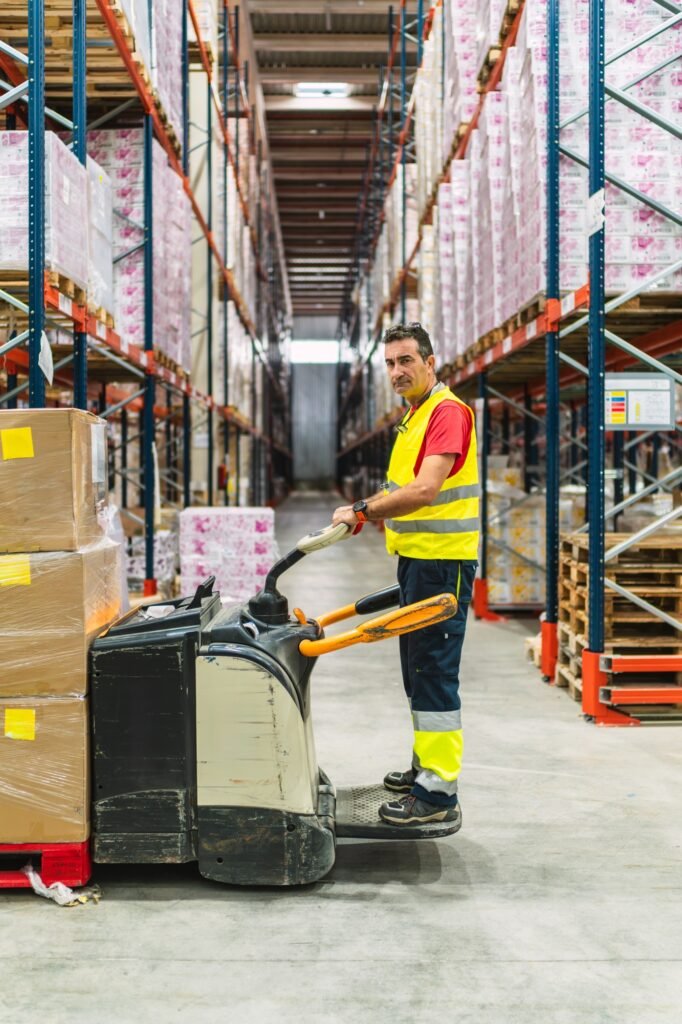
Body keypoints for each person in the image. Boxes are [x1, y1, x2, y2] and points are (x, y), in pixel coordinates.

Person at [332, 322, 479, 827]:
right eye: (391, 363)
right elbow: (401, 490)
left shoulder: (446, 413)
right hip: (419, 562)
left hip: (443, 565)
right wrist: (366, 512)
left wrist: (362, 509)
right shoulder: (414, 416)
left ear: (430, 362)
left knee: (434, 673)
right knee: (417, 672)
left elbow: (424, 491)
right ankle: (424, 769)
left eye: (406, 361)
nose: (397, 371)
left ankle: (437, 794)